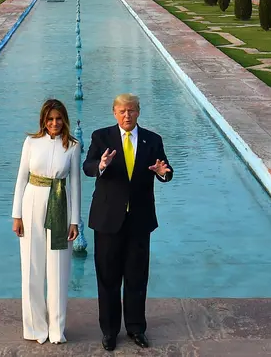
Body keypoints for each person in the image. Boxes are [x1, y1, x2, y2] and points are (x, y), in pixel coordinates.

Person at [83, 93, 174, 351]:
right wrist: (100, 165)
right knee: (108, 279)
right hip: (107, 220)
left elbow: (166, 170)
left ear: (138, 112)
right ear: (114, 112)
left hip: (139, 221)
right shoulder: (101, 137)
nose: (127, 115)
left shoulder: (152, 140)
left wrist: (163, 174)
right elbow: (87, 166)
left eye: (132, 110)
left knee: (136, 278)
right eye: (122, 111)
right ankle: (109, 332)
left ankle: (136, 328)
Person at [11, 98, 82, 344]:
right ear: (43, 120)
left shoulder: (73, 145)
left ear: (65, 120)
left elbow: (75, 184)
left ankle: (56, 330)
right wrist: (16, 215)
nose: (54, 123)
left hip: (60, 204)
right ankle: (34, 328)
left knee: (58, 270)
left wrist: (75, 221)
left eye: (58, 118)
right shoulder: (31, 142)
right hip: (32, 203)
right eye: (50, 119)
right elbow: (21, 178)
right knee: (32, 267)